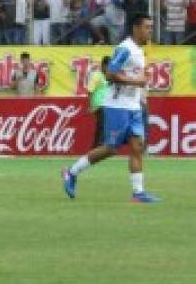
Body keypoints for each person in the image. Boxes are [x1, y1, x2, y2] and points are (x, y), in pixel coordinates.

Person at [62, 15, 160, 203]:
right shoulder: (125, 49)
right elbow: (109, 74)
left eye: (151, 27)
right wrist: (137, 81)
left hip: (133, 106)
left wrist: (142, 79)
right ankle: (71, 172)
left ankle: (138, 193)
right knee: (110, 149)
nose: (150, 31)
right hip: (117, 106)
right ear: (136, 28)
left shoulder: (139, 50)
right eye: (147, 27)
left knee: (137, 147)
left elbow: (131, 74)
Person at [88, 56, 110, 149]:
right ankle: (98, 146)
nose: (110, 68)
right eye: (109, 66)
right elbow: (90, 91)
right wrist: (90, 105)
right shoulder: (96, 75)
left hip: (107, 104)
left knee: (102, 125)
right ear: (103, 65)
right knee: (102, 125)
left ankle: (96, 147)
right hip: (99, 104)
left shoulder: (109, 76)